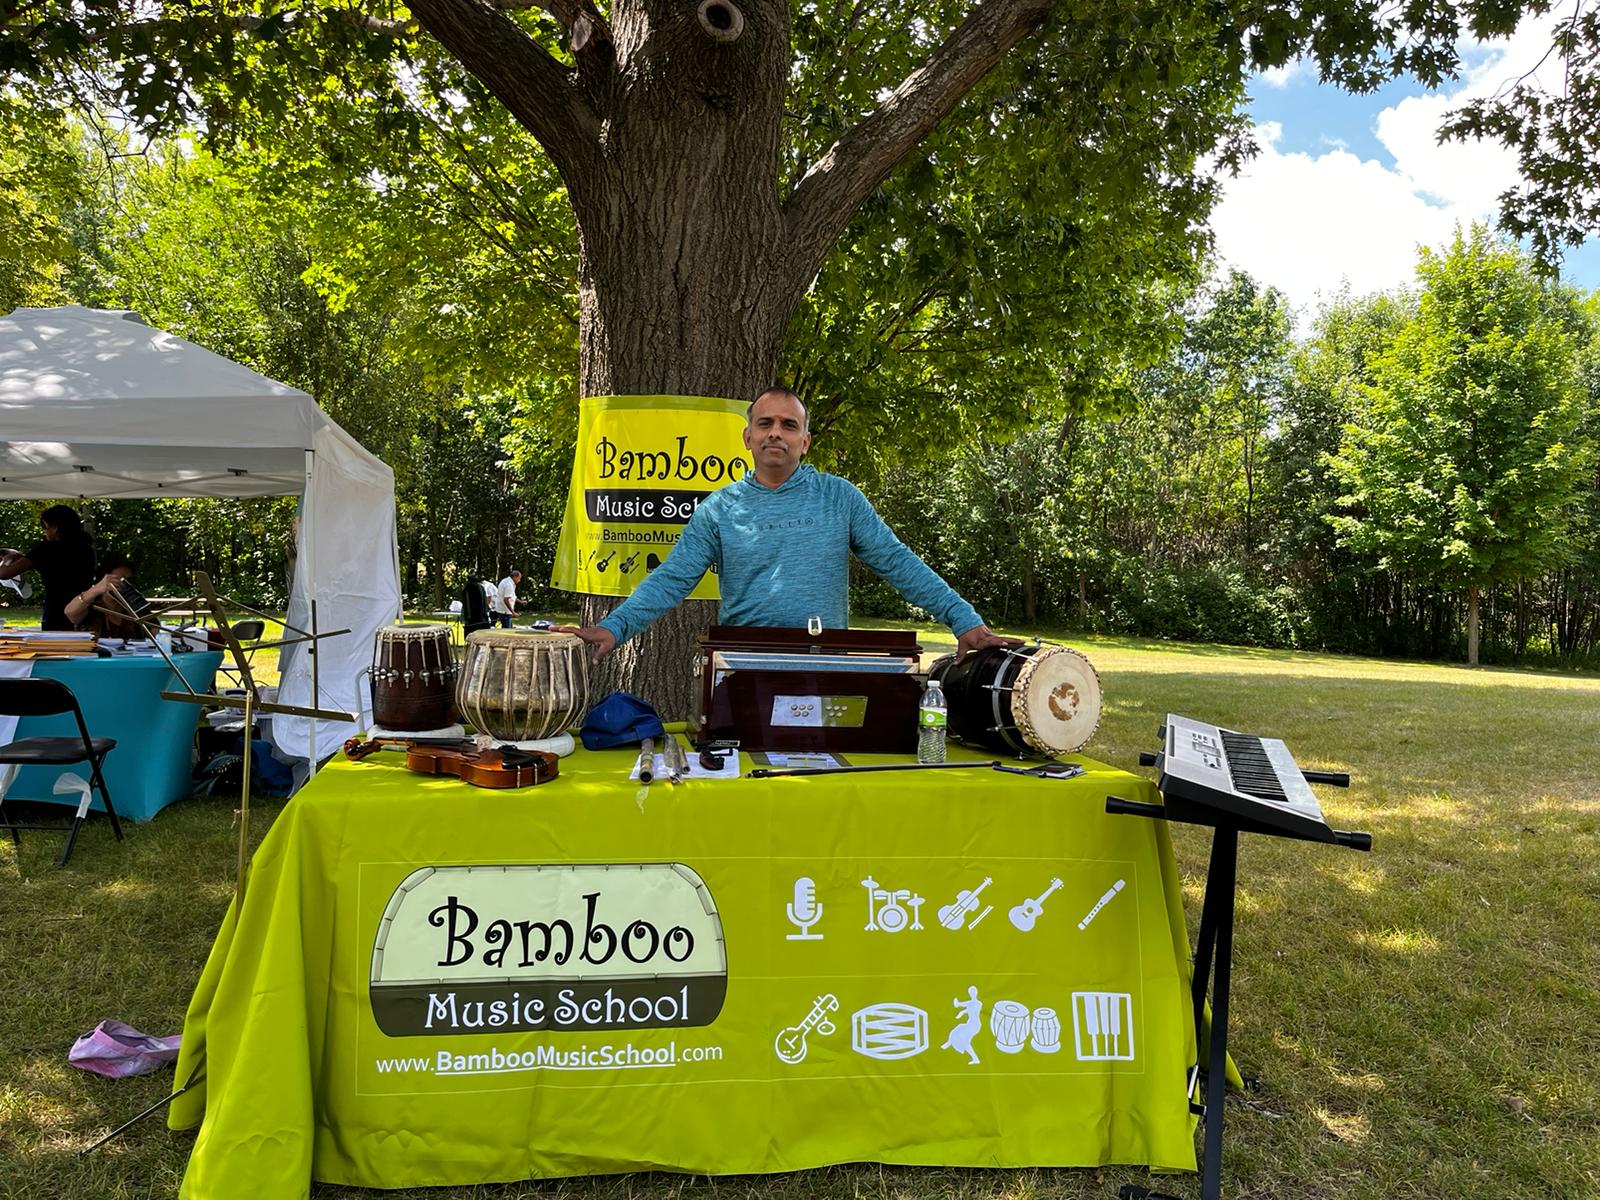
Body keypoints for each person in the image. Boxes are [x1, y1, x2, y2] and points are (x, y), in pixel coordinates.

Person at [562, 386, 1015, 662]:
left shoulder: (841, 498)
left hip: (827, 664)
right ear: (748, 437)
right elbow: (672, 579)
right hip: (740, 666)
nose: (775, 432)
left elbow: (898, 563)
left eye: (788, 424)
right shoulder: (718, 509)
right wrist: (614, 627)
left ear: (805, 440)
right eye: (765, 423)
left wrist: (964, 621)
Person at [0, 504, 96, 631]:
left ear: (55, 528)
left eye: (45, 527)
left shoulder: (46, 550)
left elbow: (4, 574)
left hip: (56, 613)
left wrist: (7, 559)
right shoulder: (86, 549)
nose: (44, 531)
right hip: (84, 610)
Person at [63, 554, 151, 640]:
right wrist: (96, 589)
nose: (123, 586)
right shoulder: (92, 608)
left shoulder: (136, 609)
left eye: (129, 581)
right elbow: (70, 612)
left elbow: (154, 630)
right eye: (118, 581)